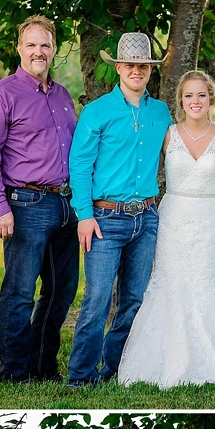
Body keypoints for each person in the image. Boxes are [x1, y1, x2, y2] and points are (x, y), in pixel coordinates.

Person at [118, 71, 215, 387]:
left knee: (205, 280)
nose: (195, 101)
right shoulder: (168, 135)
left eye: (201, 95)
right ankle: (163, 360)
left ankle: (214, 359)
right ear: (181, 101)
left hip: (208, 218)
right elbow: (144, 170)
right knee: (169, 281)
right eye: (188, 96)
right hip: (172, 217)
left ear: (211, 99)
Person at [0, 14, 80, 383]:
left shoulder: (62, 95)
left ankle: (42, 366)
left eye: (45, 45)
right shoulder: (1, 95)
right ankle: (15, 373)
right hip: (25, 204)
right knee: (19, 292)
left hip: (66, 206)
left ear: (53, 49)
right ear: (19, 49)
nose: (39, 51)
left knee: (60, 292)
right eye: (31, 45)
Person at [67, 32, 172, 387]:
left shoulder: (161, 112)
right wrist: (83, 215)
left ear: (150, 70)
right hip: (104, 219)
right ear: (118, 68)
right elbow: (79, 165)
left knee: (133, 300)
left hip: (146, 217)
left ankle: (115, 370)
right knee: (96, 299)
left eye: (143, 65)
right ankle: (81, 376)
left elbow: (180, 154)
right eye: (130, 64)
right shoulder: (97, 111)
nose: (137, 71)